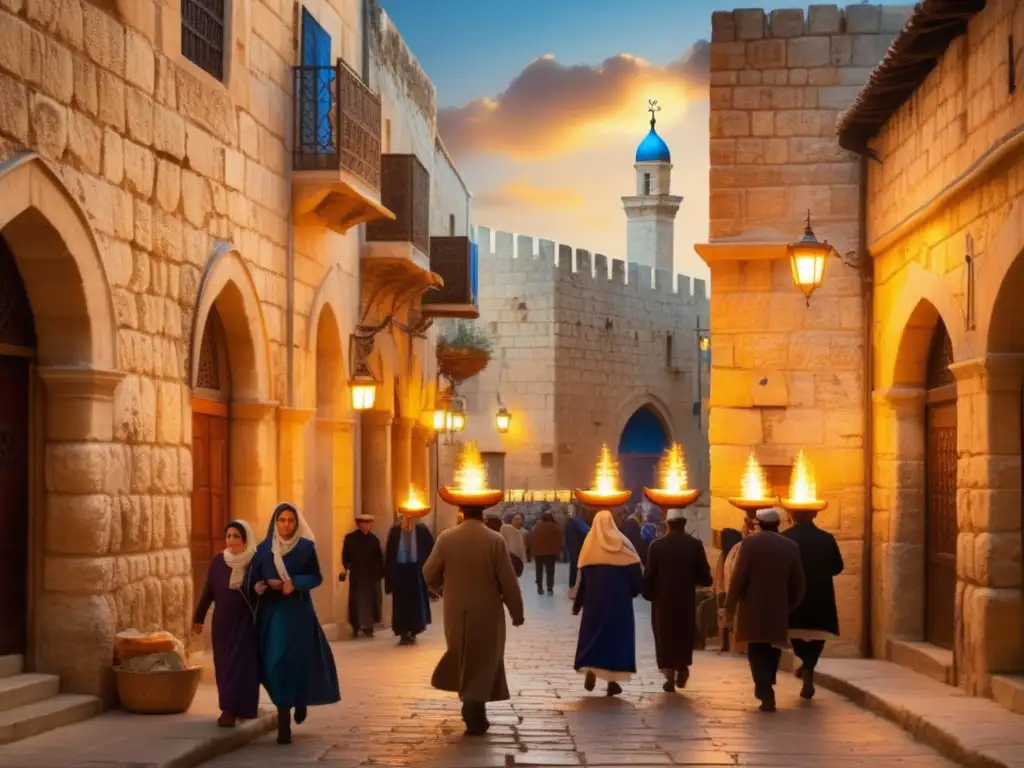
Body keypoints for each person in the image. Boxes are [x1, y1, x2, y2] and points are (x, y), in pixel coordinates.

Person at [422, 504, 525, 736]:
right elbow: (508, 581)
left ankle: (470, 702)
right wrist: (516, 612)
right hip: (488, 610)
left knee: (462, 652)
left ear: (462, 514)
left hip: (455, 609)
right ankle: (474, 706)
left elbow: (428, 572)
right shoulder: (494, 540)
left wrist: (441, 589)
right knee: (486, 657)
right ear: (483, 515)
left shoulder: (446, 538)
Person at [250, 503, 340, 744]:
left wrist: (295, 582)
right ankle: (283, 717)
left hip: (298, 613)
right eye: (282, 520)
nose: (286, 525)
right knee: (276, 663)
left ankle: (298, 703)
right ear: (275, 522)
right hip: (272, 615)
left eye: (291, 520)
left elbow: (316, 577)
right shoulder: (263, 550)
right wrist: (263, 585)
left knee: (297, 661)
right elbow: (253, 580)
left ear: (296, 523)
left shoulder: (305, 548)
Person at [724, 507, 805, 712]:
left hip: (752, 608)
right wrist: (789, 606)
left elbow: (738, 579)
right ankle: (767, 683)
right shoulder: (791, 546)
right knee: (772, 649)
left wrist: (730, 610)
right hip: (778, 608)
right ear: (778, 524)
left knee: (756, 650)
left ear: (758, 524)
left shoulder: (749, 544)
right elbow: (799, 584)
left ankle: (763, 687)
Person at [192, 520, 260, 727]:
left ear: (245, 539)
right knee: (224, 666)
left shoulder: (254, 563)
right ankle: (228, 709)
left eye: (236, 536)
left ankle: (245, 707)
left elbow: (263, 595)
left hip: (246, 624)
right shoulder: (218, 562)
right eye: (229, 536)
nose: (231, 540)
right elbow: (208, 593)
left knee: (244, 667)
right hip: (223, 624)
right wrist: (198, 618)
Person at [573, 509, 643, 697]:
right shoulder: (623, 546)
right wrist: (634, 591)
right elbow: (636, 577)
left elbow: (583, 582)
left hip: (594, 605)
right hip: (619, 606)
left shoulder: (589, 549)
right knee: (616, 641)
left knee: (593, 637)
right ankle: (612, 682)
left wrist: (577, 605)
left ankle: (590, 670)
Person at [642, 508, 714, 692]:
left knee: (664, 636)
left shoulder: (656, 546)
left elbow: (650, 575)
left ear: (668, 524)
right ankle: (682, 665)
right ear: (684, 524)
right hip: (685, 599)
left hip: (662, 600)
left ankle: (669, 676)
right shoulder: (695, 545)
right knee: (683, 634)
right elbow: (705, 577)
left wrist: (648, 593)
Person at [784, 509, 845, 699]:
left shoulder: (785, 538)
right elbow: (838, 567)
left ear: (792, 516)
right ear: (815, 516)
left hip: (795, 595)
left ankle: (806, 662)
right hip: (821, 594)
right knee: (819, 634)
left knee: (795, 632)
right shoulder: (826, 538)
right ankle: (809, 665)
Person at [384, 513, 434, 645]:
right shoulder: (395, 531)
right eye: (405, 518)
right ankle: (402, 632)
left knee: (415, 603)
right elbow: (390, 553)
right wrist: (389, 575)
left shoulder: (422, 530)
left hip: (416, 571)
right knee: (400, 604)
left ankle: (414, 630)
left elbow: (431, 550)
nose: (407, 520)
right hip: (400, 571)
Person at [341, 513, 383, 638]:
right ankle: (356, 626)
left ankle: (369, 627)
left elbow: (379, 558)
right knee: (356, 601)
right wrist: (347, 566)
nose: (367, 526)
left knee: (370, 601)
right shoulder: (350, 538)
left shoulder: (374, 539)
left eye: (369, 524)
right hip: (357, 575)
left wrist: (380, 572)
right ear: (359, 524)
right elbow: (345, 555)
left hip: (370, 575)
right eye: (365, 523)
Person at [714, 527, 743, 652]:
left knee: (726, 616)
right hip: (724, 590)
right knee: (724, 616)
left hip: (729, 590)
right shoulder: (724, 554)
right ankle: (725, 644)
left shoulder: (735, 551)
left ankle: (728, 644)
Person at [529, 511, 563, 595]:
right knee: (550, 571)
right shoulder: (555, 527)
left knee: (539, 571)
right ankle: (550, 588)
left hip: (539, 553)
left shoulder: (537, 526)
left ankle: (540, 588)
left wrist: (532, 552)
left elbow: (532, 538)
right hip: (551, 553)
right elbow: (559, 540)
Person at [563, 505, 591, 598]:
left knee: (576, 569)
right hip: (577, 550)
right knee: (576, 568)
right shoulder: (576, 522)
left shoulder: (576, 522)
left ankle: (575, 589)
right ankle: (574, 589)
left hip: (577, 549)